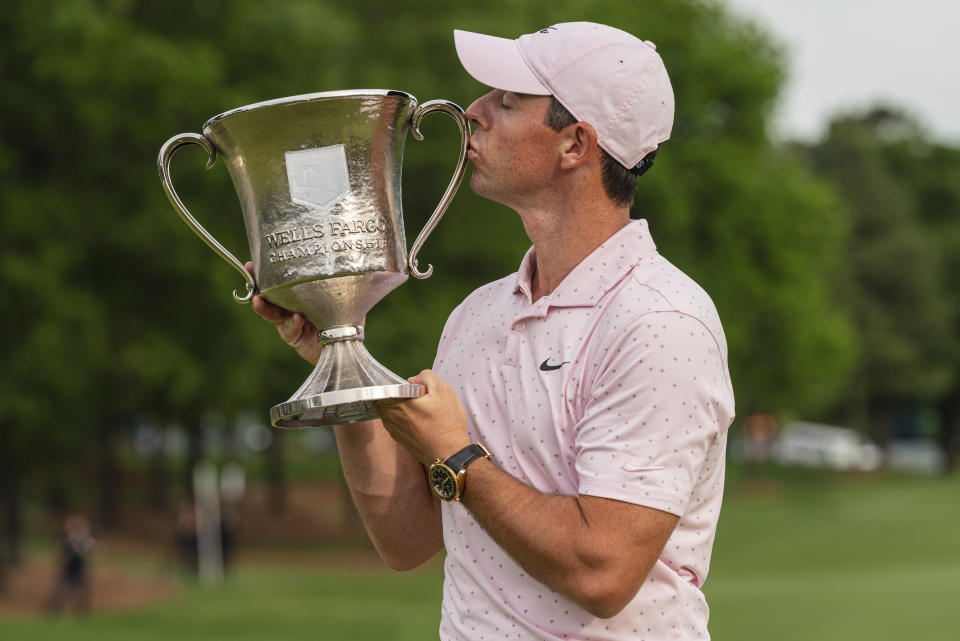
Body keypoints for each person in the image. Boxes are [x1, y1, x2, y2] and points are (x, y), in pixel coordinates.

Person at [253, 22, 734, 641]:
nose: (472, 113)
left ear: (574, 144)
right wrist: (341, 359)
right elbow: (408, 540)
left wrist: (457, 455)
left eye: (507, 102)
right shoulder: (478, 313)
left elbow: (603, 574)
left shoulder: (661, 322)